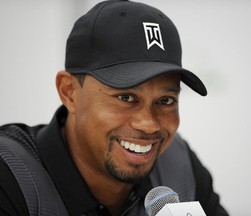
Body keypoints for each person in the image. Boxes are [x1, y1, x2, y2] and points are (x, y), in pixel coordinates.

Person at [0, 0, 229, 215]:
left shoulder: (179, 165)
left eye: (165, 101)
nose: (149, 124)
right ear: (69, 91)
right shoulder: (10, 175)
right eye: (126, 96)